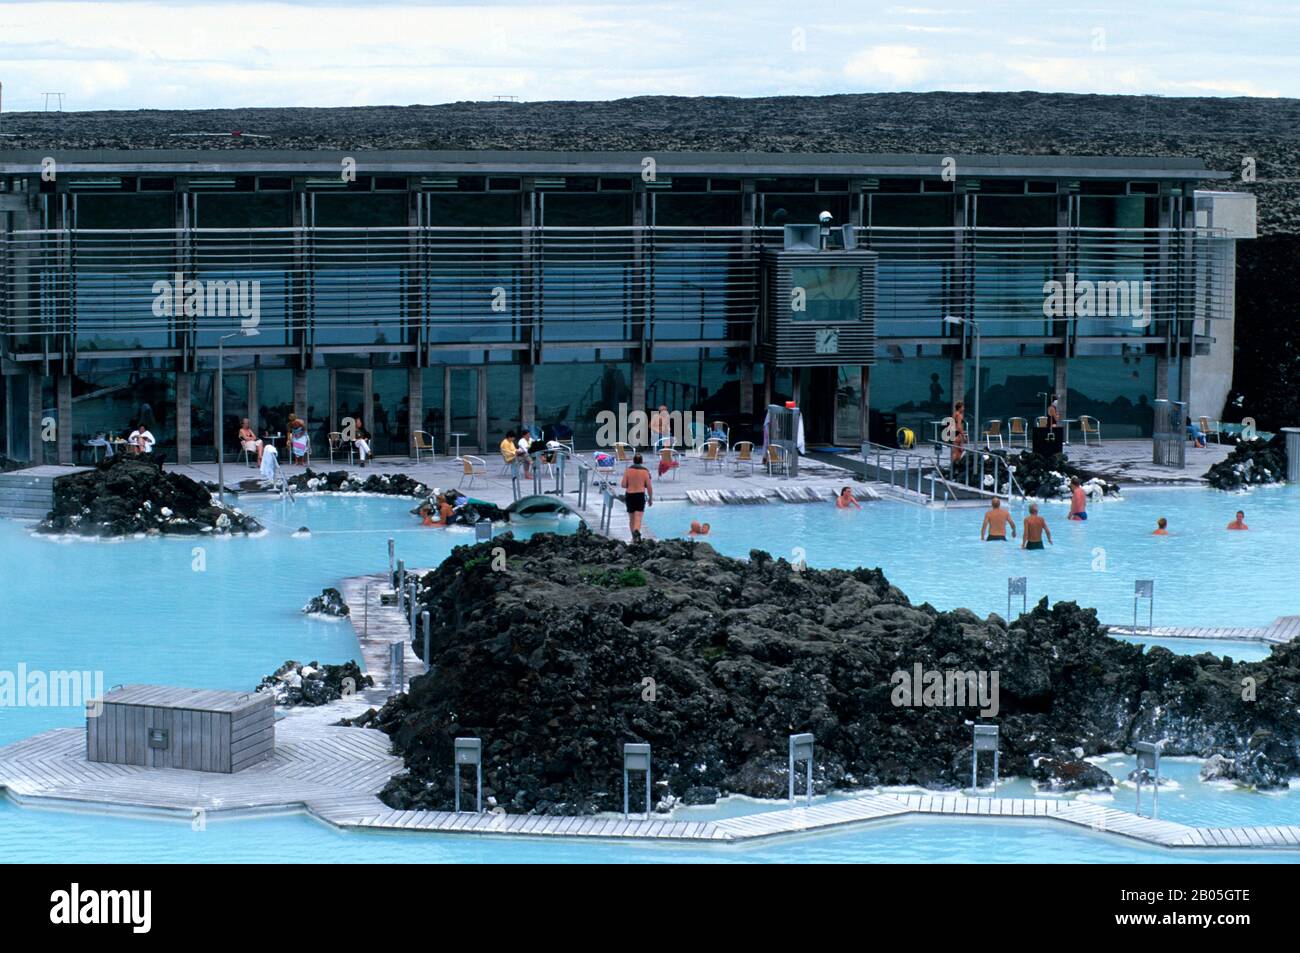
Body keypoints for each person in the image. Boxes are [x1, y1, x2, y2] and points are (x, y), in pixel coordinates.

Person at [620, 452, 653, 541]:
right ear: (642, 461)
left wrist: (630, 483)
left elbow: (623, 485)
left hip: (630, 495)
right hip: (639, 495)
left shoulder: (628, 470)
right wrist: (650, 499)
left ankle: (633, 537)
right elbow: (649, 487)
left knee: (631, 519)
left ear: (633, 461)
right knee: (638, 518)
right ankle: (636, 535)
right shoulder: (645, 472)